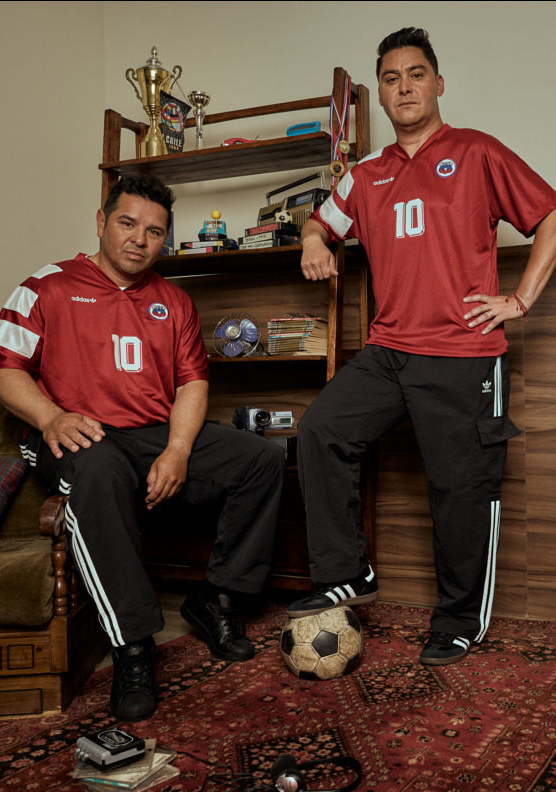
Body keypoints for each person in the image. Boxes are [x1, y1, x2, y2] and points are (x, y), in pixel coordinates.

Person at [287, 27, 556, 666]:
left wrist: (519, 300)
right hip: (389, 352)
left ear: (438, 83)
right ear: (380, 94)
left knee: (459, 491)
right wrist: (312, 242)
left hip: (463, 354)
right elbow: (319, 222)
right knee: (321, 429)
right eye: (391, 78)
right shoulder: (366, 175)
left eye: (415, 74)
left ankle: (460, 619)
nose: (404, 86)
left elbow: (550, 215)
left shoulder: (476, 151)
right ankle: (347, 573)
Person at [0, 174, 286, 720]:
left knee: (261, 458)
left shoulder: (174, 301)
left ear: (165, 239)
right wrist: (50, 416)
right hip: (76, 431)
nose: (139, 239)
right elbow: (1, 368)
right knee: (99, 471)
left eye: (154, 231)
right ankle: (133, 646)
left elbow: (192, 384)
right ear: (101, 222)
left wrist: (179, 449)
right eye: (127, 223)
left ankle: (216, 598)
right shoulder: (46, 286)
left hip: (152, 432)